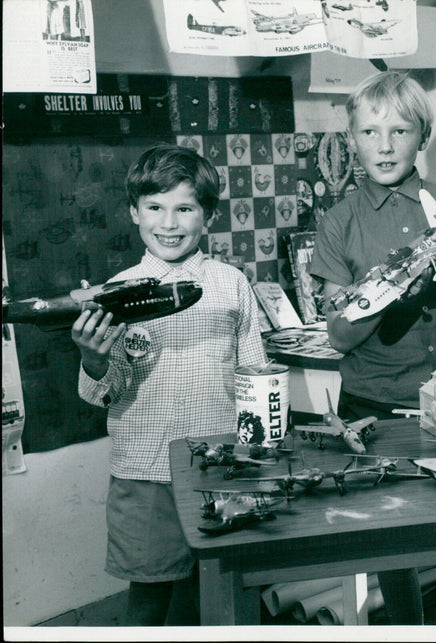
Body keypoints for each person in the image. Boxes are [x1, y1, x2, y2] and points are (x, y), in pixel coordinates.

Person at [310, 71, 436, 625]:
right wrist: (387, 285)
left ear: (422, 135)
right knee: (393, 544)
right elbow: (338, 334)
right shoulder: (338, 222)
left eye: (399, 131)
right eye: (369, 133)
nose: (384, 145)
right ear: (351, 140)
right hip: (373, 404)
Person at [71, 144, 266, 626]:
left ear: (208, 216)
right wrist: (91, 358)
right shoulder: (113, 293)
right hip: (145, 469)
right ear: (134, 211)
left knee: (222, 594)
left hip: (220, 466)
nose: (169, 223)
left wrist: (259, 451)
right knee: (149, 601)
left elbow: (256, 376)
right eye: (155, 207)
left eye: (184, 208)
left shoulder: (232, 284)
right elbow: (102, 393)